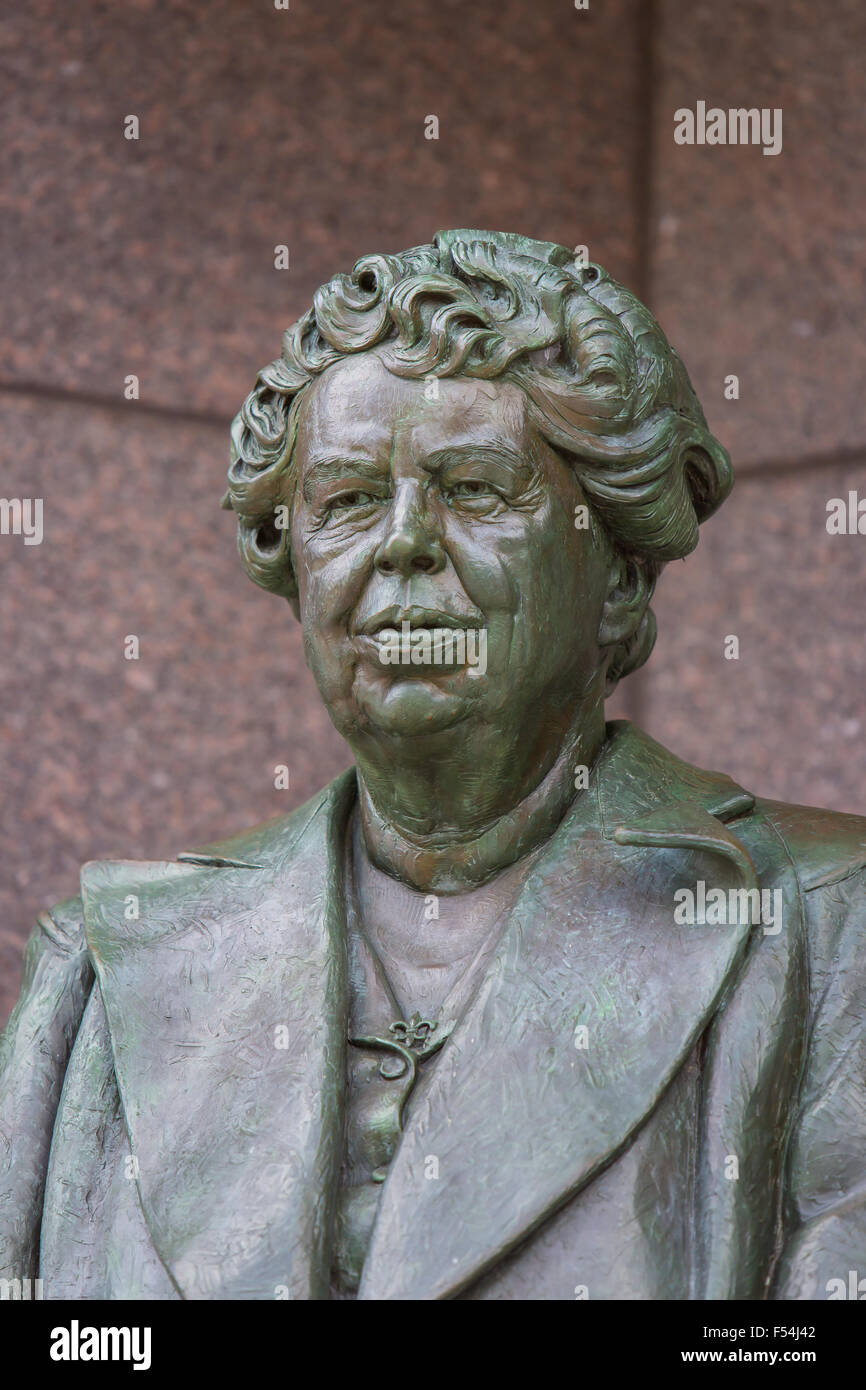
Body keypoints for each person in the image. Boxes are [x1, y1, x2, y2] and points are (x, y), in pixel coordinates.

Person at [2, 229, 864, 1300]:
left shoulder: (825, 924)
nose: (402, 544)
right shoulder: (105, 965)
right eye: (349, 500)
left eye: (474, 488)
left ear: (618, 581)